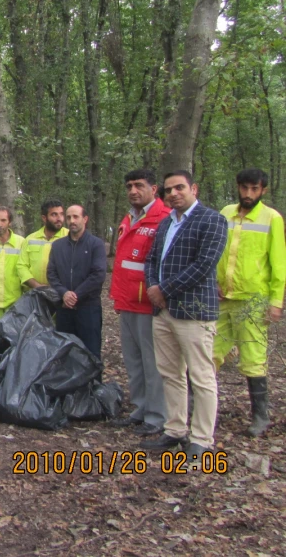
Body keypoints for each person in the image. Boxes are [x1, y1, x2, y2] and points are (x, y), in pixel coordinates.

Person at [140, 170, 228, 457]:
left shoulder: (212, 220)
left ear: (194, 188)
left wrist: (164, 290)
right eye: (169, 190)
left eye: (180, 188)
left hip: (194, 311)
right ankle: (175, 429)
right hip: (162, 312)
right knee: (170, 373)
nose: (174, 193)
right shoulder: (166, 223)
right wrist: (153, 286)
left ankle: (202, 439)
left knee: (201, 377)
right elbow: (152, 259)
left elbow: (204, 264)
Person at [213, 168, 285, 437]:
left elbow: (278, 262)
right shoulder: (225, 213)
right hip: (222, 299)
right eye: (244, 188)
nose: (248, 194)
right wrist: (213, 281)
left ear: (263, 190)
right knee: (209, 353)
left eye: (254, 189)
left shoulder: (271, 218)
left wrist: (275, 301)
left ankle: (260, 415)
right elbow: (216, 250)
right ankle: (202, 409)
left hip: (253, 301)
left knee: (253, 358)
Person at [109, 170, 170, 435]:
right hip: (126, 302)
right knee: (133, 362)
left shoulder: (163, 219)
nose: (133, 190)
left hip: (148, 304)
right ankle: (140, 409)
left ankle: (157, 417)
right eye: (129, 186)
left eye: (139, 185)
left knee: (152, 363)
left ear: (153, 189)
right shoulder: (129, 218)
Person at [47, 204, 107, 357]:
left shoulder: (96, 244)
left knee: (91, 353)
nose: (71, 221)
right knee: (65, 354)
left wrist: (76, 295)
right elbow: (52, 274)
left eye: (75, 217)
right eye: (68, 217)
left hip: (88, 308)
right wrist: (64, 293)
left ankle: (93, 382)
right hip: (64, 309)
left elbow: (98, 274)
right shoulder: (58, 246)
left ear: (85, 219)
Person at [18, 200, 68, 290]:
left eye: (61, 214)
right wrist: (36, 286)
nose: (59, 218)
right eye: (54, 214)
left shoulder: (69, 237)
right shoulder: (30, 239)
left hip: (63, 294)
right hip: (35, 293)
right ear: (44, 218)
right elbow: (21, 266)